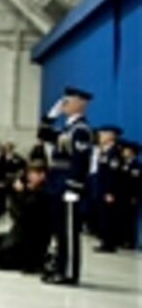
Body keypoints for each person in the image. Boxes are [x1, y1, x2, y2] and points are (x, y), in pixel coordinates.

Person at [37, 86, 93, 285]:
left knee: (68, 231)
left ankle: (68, 273)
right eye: (64, 102)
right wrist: (51, 115)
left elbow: (80, 161)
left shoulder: (81, 131)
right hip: (56, 184)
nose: (65, 105)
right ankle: (59, 267)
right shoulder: (67, 129)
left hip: (68, 185)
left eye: (68, 102)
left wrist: (74, 187)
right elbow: (43, 133)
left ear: (80, 104)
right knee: (59, 229)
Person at [0, 160, 53, 273]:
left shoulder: (42, 194)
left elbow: (22, 215)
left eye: (32, 174)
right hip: (25, 233)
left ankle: (35, 261)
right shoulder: (36, 190)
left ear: (42, 175)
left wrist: (20, 194)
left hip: (31, 238)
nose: (29, 178)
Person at [93, 125, 123, 253]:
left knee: (108, 218)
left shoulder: (114, 153)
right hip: (102, 189)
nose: (100, 137)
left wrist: (110, 192)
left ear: (111, 136)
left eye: (103, 134)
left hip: (108, 191)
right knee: (103, 217)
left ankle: (109, 243)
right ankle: (104, 241)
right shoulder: (105, 152)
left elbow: (113, 174)